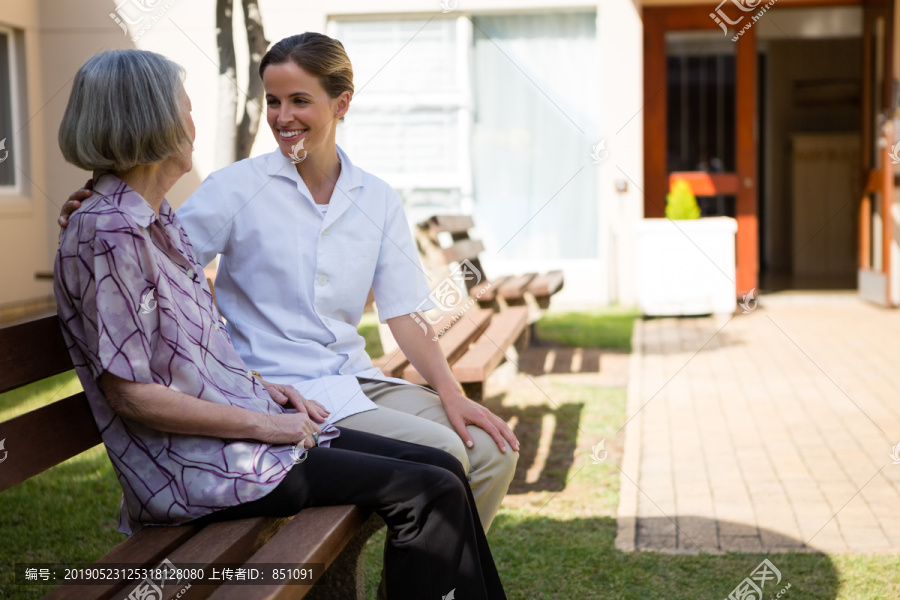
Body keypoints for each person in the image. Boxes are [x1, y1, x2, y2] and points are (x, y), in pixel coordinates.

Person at [54, 48, 507, 600]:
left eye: (299, 100)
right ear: (151, 122)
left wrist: (451, 392)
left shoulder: (155, 221)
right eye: (273, 100)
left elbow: (179, 317)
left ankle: (424, 584)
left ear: (341, 105)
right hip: (222, 448)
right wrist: (104, 204)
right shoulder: (138, 224)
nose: (280, 115)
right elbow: (133, 384)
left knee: (468, 457)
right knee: (438, 473)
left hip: (291, 403)